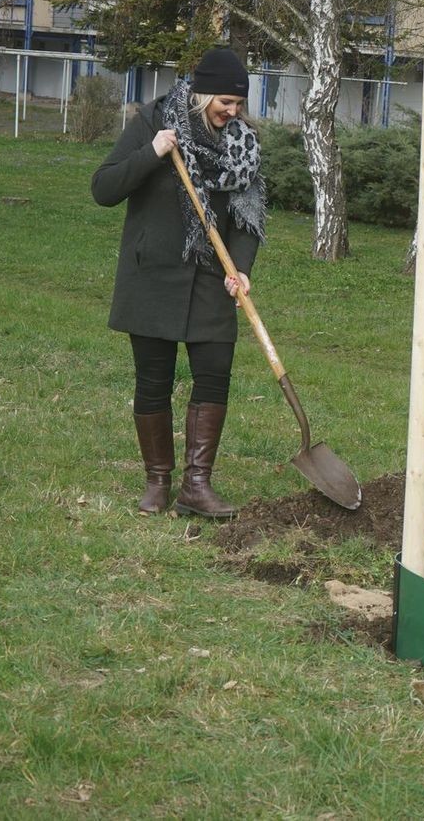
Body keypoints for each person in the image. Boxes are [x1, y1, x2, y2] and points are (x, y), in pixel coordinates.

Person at [91, 46, 266, 519]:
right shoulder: (154, 123)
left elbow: (247, 219)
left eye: (238, 104)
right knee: (154, 379)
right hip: (153, 273)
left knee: (214, 374)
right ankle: (157, 482)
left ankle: (197, 485)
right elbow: (103, 188)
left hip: (213, 276)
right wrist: (152, 153)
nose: (232, 113)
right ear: (203, 93)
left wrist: (242, 267)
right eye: (225, 102)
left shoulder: (243, 144)